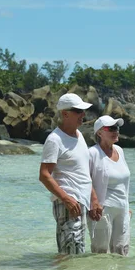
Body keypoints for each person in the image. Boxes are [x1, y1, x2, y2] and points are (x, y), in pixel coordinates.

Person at [39, 93, 92, 255]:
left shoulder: (79, 135)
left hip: (80, 202)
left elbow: (84, 172)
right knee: (69, 254)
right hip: (68, 203)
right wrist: (66, 199)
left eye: (83, 111)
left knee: (77, 252)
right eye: (78, 111)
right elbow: (44, 175)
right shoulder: (55, 140)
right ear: (65, 113)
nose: (83, 115)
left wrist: (94, 199)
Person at [88, 115, 131, 256]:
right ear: (99, 132)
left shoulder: (120, 150)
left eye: (117, 128)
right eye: (111, 128)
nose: (115, 131)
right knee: (100, 254)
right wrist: (93, 203)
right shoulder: (92, 153)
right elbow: (85, 180)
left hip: (122, 209)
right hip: (102, 210)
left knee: (121, 252)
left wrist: (127, 206)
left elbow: (123, 181)